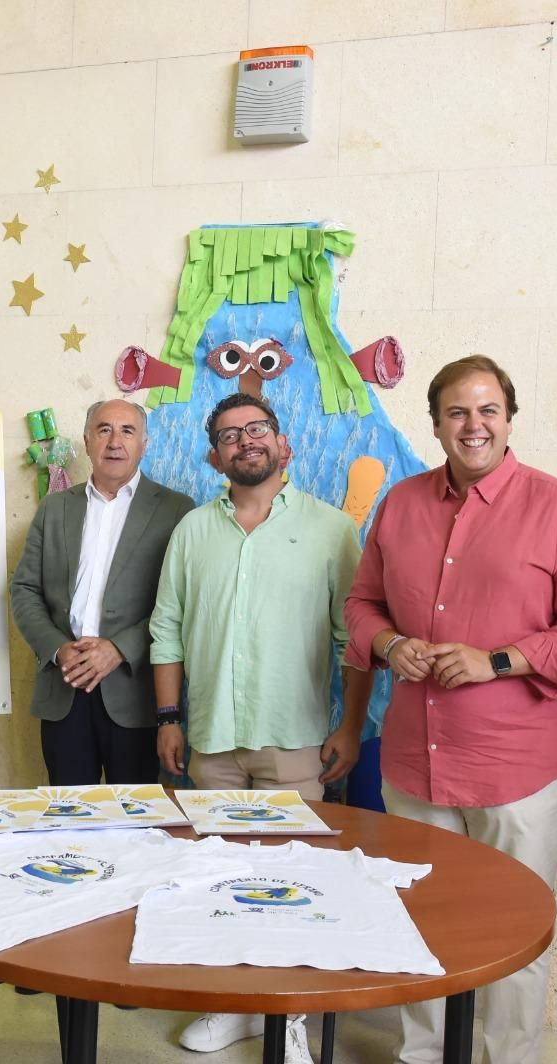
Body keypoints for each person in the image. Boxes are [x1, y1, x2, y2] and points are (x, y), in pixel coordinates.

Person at [344, 355, 557, 1064]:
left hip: (516, 768)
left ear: (509, 419)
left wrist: (497, 660)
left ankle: (509, 1058)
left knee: (512, 932)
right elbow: (360, 604)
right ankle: (422, 1054)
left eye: (488, 410)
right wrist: (389, 641)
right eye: (458, 412)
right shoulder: (399, 505)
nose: (474, 425)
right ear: (435, 423)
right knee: (421, 922)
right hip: (414, 764)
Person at [151, 393, 370, 1064]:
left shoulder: (333, 531)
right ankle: (230, 1006)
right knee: (220, 876)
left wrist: (351, 727)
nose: (244, 441)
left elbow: (355, 639)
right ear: (214, 455)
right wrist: (168, 717)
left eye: (256, 429)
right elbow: (167, 629)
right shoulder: (192, 531)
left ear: (284, 444)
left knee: (293, 881)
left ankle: (291, 1015)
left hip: (295, 740)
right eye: (228, 435)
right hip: (211, 741)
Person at [10, 399, 194, 786]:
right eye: (104, 429)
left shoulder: (176, 510)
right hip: (64, 687)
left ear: (144, 444)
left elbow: (178, 606)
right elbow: (25, 589)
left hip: (134, 693)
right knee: (70, 818)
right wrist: (59, 649)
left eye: (127, 431)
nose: (115, 441)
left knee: (137, 822)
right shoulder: (55, 508)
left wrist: (119, 648)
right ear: (87, 440)